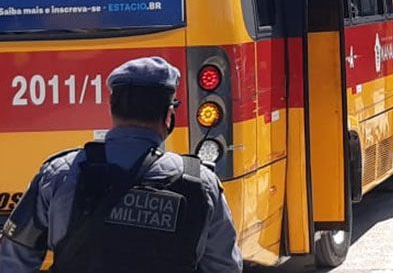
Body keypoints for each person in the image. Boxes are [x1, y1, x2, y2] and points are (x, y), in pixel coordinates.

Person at [0, 57, 243, 273]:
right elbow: (225, 266)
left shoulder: (59, 174)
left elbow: (13, 261)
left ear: (111, 108)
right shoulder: (200, 184)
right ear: (169, 114)